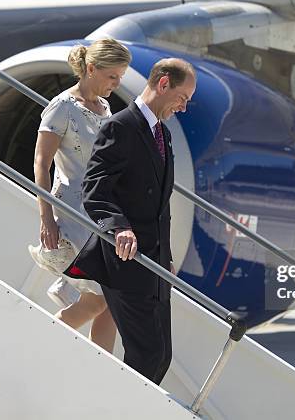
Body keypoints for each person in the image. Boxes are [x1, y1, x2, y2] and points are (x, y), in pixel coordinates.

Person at [66, 58, 196, 384]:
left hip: (154, 263)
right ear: (163, 84)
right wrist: (118, 226)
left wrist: (165, 257)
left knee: (160, 355)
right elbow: (95, 188)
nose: (183, 107)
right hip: (125, 261)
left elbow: (156, 207)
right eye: (183, 97)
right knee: (147, 354)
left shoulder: (161, 134)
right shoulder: (119, 127)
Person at [28, 38, 131, 353]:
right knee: (99, 298)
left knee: (113, 299)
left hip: (100, 213)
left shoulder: (105, 107)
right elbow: (41, 165)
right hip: (71, 211)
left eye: (120, 77)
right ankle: (33, 343)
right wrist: (47, 219)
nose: (116, 84)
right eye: (112, 76)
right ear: (90, 69)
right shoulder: (62, 107)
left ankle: (103, 367)